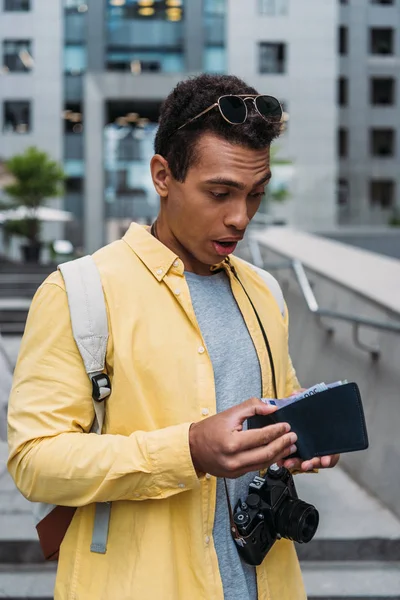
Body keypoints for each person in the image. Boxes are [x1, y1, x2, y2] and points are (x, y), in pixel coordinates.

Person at [7, 73, 339, 600]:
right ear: (163, 175)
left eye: (256, 194)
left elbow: (276, 406)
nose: (240, 218)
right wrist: (187, 449)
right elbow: (33, 461)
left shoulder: (265, 290)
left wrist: (298, 438)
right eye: (220, 193)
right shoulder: (80, 291)